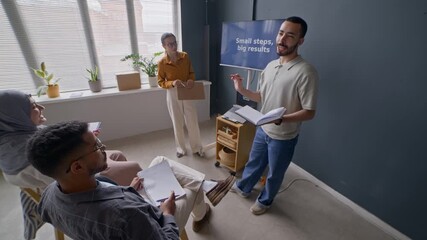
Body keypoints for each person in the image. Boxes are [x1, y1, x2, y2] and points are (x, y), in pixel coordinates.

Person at [26, 120, 235, 239]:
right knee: (189, 185)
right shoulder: (125, 215)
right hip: (156, 220)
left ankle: (207, 186)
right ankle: (202, 202)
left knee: (160, 160)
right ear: (77, 166)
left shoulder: (49, 196)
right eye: (97, 147)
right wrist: (168, 215)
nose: (104, 148)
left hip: (130, 208)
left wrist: (130, 191)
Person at [229, 16, 318, 215]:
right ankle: (244, 188)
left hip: (284, 136)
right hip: (263, 128)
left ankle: (266, 200)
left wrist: (283, 119)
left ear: (300, 41)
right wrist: (241, 88)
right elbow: (261, 96)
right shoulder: (270, 66)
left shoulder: (306, 71)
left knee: (274, 174)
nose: (282, 39)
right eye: (280, 33)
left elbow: (309, 112)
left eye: (290, 35)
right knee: (254, 162)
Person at [0, 89, 142, 188]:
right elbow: (70, 179)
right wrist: (86, 145)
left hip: (78, 167)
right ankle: (131, 197)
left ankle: (128, 190)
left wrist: (83, 141)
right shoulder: (29, 152)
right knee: (134, 168)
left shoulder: (16, 134)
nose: (41, 107)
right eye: (33, 106)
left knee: (118, 154)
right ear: (16, 115)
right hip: (84, 178)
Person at [157, 32, 204, 158]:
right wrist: (172, 83)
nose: (173, 46)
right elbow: (161, 82)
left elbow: (191, 73)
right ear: (164, 46)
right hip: (172, 93)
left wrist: (190, 80)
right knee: (177, 122)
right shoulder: (162, 62)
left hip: (187, 90)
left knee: (192, 119)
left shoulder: (185, 56)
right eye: (169, 44)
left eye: (174, 42)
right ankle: (181, 149)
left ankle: (196, 147)